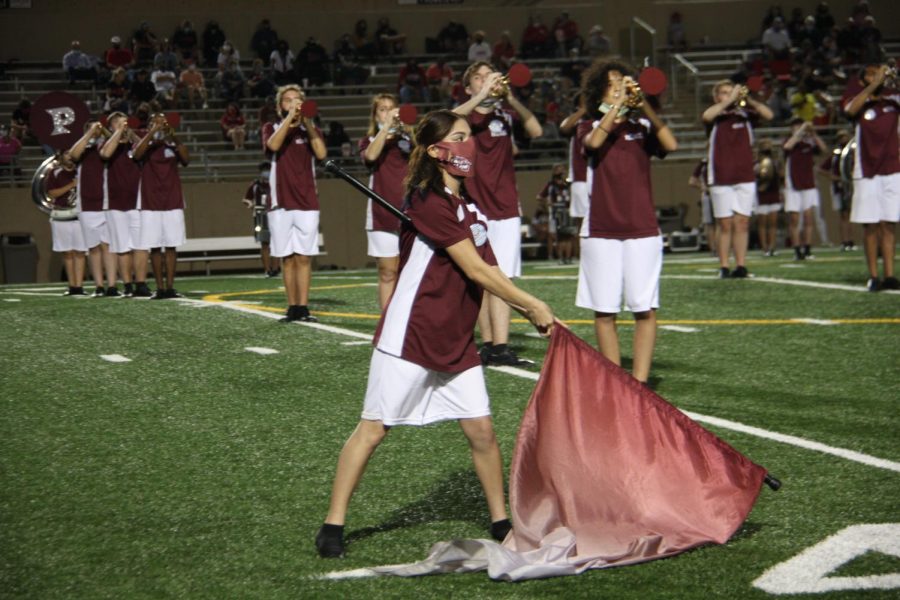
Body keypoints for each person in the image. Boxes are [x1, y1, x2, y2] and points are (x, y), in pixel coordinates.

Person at [314, 109, 556, 559]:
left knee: (482, 431)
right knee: (372, 430)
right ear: (434, 151)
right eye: (458, 138)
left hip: (455, 338)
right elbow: (473, 268)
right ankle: (333, 523)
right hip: (412, 333)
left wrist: (522, 307)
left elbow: (491, 271)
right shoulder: (427, 200)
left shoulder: (470, 208)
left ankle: (501, 519)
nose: (468, 147)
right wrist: (533, 304)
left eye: (469, 138)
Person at [576, 59, 677, 384]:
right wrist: (617, 107)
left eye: (624, 81)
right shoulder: (587, 125)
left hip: (642, 229)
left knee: (643, 308)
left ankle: (641, 382)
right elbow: (593, 143)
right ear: (598, 91)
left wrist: (642, 104)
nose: (620, 86)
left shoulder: (642, 127)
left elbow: (671, 144)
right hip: (600, 230)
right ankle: (616, 381)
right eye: (612, 82)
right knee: (605, 311)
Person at [453, 61, 543, 366]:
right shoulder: (465, 118)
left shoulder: (505, 114)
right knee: (482, 279)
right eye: (478, 78)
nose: (487, 81)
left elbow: (536, 129)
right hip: (474, 205)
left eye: (490, 76)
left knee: (502, 277)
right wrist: (481, 97)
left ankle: (499, 345)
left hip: (505, 206)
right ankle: (491, 344)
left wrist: (510, 98)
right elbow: (452, 118)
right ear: (468, 88)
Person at [262, 84, 327, 322]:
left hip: (307, 201)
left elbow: (321, 154)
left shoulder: (312, 129)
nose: (293, 104)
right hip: (280, 202)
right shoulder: (271, 127)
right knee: (286, 258)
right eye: (288, 100)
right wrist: (290, 119)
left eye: (297, 100)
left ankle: (303, 307)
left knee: (304, 257)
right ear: (281, 106)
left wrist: (307, 122)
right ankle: (291, 307)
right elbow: (273, 146)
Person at [703, 79, 774, 278]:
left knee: (742, 222)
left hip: (744, 175)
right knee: (725, 223)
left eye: (730, 92)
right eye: (724, 92)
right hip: (721, 175)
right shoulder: (716, 115)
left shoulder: (746, 114)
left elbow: (769, 115)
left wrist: (748, 99)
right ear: (717, 97)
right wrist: (728, 101)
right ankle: (724, 266)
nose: (729, 95)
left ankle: (741, 265)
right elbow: (706, 116)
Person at [843, 64, 899, 291]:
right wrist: (874, 85)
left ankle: (889, 274)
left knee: (889, 224)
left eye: (879, 72)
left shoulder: (893, 99)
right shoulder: (857, 98)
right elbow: (849, 110)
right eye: (870, 73)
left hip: (893, 167)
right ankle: (873, 276)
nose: (876, 76)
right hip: (865, 169)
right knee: (871, 225)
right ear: (863, 79)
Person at [359, 93, 412, 309]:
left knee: (410, 273)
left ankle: (409, 324)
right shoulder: (368, 140)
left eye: (392, 108)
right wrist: (386, 127)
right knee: (388, 272)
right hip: (383, 214)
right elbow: (370, 156)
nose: (388, 112)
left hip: (413, 212)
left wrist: (407, 128)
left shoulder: (410, 137)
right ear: (375, 115)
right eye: (382, 109)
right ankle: (387, 327)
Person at [131, 113, 190, 299]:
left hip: (172, 201)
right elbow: (136, 154)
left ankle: (170, 287)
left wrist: (172, 135)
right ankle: (159, 287)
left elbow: (186, 159)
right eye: (154, 122)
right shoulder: (145, 145)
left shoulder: (172, 144)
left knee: (171, 246)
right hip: (150, 202)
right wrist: (151, 133)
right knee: (155, 247)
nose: (159, 125)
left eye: (162, 123)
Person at [69, 121, 118, 296]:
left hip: (106, 203)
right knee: (93, 248)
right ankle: (98, 286)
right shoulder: (83, 150)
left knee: (108, 246)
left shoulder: (106, 147)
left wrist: (103, 132)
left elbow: (111, 148)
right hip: (87, 204)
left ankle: (112, 286)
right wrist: (89, 134)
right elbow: (72, 155)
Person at [99, 111, 142, 297]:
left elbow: (144, 148)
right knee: (122, 247)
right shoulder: (106, 143)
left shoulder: (134, 143)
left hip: (138, 201)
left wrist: (130, 132)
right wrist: (117, 132)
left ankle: (141, 283)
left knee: (140, 245)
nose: (123, 126)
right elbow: (106, 153)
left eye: (125, 122)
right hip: (115, 203)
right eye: (118, 123)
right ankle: (127, 284)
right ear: (111, 127)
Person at [783, 119, 827, 260]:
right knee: (795, 220)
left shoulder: (809, 142)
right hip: (793, 185)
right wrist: (801, 130)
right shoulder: (789, 140)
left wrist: (813, 134)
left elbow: (824, 150)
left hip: (809, 184)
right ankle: (797, 249)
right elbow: (788, 146)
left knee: (809, 218)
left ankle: (807, 248)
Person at [46, 152, 87, 295]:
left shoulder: (82, 170)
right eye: (67, 153)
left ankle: (80, 286)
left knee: (80, 252)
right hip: (61, 215)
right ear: (61, 156)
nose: (70, 156)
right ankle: (72, 286)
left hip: (79, 214)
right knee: (67, 252)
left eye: (72, 153)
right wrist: (72, 185)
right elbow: (52, 193)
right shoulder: (55, 172)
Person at [559, 95, 589, 256]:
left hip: (601, 177)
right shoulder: (577, 122)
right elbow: (564, 127)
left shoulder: (603, 116)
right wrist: (583, 109)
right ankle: (582, 255)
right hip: (581, 178)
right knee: (582, 221)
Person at [817, 130, 855, 251]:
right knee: (843, 214)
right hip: (839, 187)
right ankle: (845, 241)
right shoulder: (836, 154)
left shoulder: (852, 153)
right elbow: (820, 169)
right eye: (841, 137)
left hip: (850, 185)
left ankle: (850, 240)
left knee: (850, 215)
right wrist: (833, 177)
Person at [242, 161, 280, 277]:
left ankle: (276, 268)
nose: (266, 172)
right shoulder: (255, 185)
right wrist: (249, 203)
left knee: (277, 243)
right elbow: (246, 199)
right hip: (261, 215)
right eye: (264, 170)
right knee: (265, 243)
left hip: (276, 214)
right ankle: (267, 269)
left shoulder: (277, 183)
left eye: (268, 170)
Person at [537, 163, 575, 263]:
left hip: (567, 212)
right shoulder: (551, 185)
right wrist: (547, 204)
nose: (561, 171)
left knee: (569, 236)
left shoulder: (567, 183)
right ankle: (561, 257)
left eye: (562, 169)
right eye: (558, 169)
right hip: (556, 213)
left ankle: (569, 257)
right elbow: (539, 197)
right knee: (559, 236)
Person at [755, 139, 782, 257]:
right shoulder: (757, 162)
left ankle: (772, 246)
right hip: (762, 193)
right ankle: (764, 247)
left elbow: (781, 175)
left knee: (773, 222)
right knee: (762, 222)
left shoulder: (775, 161)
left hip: (773, 192)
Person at [688, 157, 716, 255]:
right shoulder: (704, 163)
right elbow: (692, 181)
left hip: (721, 194)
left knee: (724, 222)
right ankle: (713, 249)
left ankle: (724, 247)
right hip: (708, 196)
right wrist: (702, 187)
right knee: (709, 223)